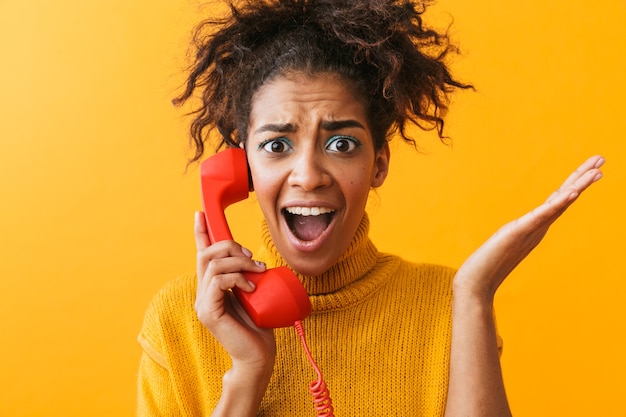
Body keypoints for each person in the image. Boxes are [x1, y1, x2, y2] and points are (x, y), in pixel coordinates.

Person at [136, 1, 604, 416]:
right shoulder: (178, 321)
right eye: (277, 144)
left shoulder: (449, 306)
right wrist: (247, 376)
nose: (309, 175)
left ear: (378, 163)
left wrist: (474, 294)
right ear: (243, 169)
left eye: (341, 143)